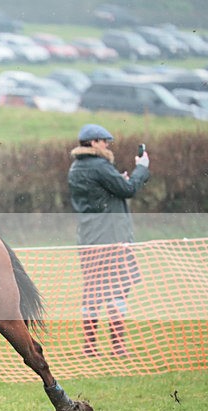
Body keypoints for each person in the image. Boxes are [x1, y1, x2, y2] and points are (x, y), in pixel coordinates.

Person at [67, 124, 150, 357]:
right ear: (93, 143)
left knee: (92, 291)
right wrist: (141, 169)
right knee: (117, 290)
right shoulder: (100, 166)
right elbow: (129, 189)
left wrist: (117, 184)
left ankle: (90, 346)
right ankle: (117, 345)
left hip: (88, 238)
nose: (107, 145)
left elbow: (100, 194)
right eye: (104, 141)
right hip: (111, 238)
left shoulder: (75, 168)